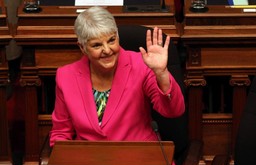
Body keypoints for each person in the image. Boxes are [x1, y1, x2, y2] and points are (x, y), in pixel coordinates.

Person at [49, 6, 185, 150]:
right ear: (82, 47)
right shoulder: (66, 76)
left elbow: (173, 110)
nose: (107, 50)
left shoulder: (141, 65)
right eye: (97, 45)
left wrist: (161, 73)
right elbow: (61, 133)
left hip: (138, 161)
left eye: (111, 40)